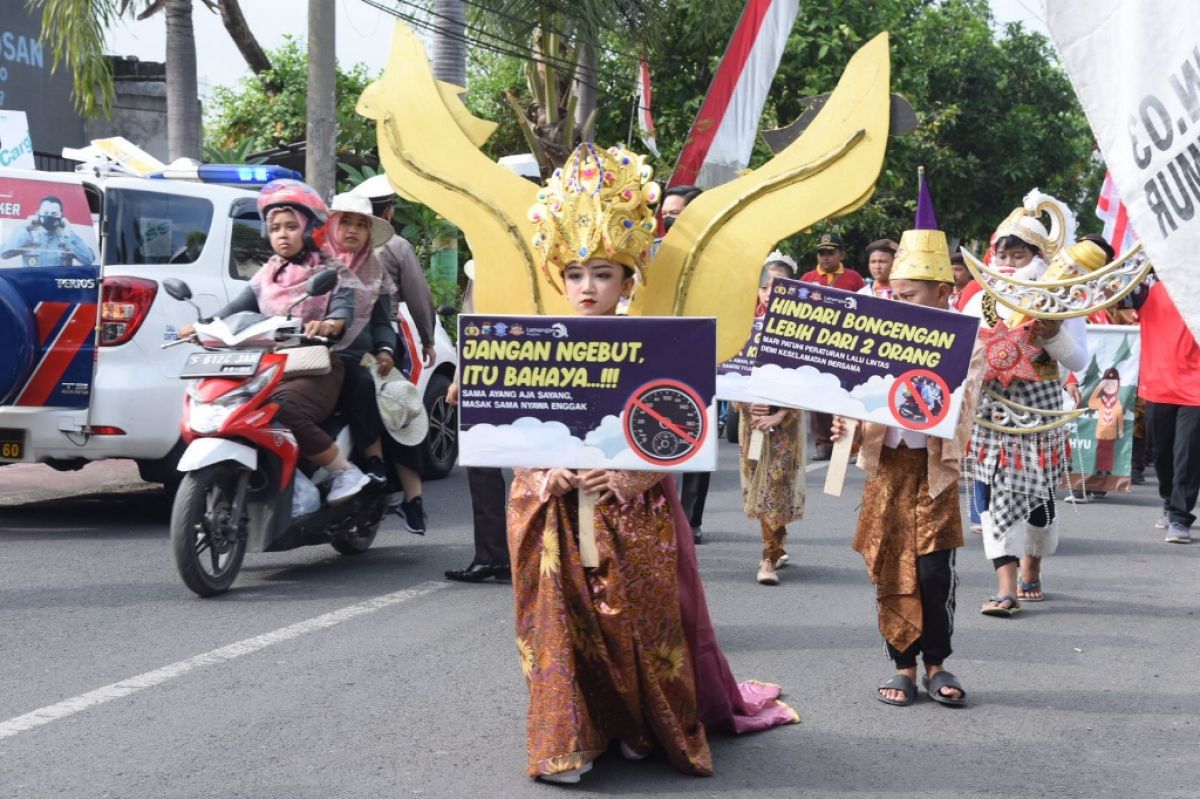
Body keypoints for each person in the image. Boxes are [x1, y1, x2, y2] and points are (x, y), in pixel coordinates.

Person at [511, 143, 797, 784]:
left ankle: (640, 723)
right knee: (563, 622)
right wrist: (547, 473)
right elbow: (514, 429)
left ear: (627, 280)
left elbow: (680, 427)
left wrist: (628, 474)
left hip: (631, 509)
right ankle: (569, 739)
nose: (588, 287)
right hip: (558, 513)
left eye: (602, 274)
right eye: (576, 274)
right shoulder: (532, 343)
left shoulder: (660, 343)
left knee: (637, 621)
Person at [832, 226, 984, 707]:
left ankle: (937, 662)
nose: (900, 304)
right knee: (890, 566)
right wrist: (848, 427)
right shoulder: (878, 336)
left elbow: (966, 406)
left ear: (941, 293)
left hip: (933, 470)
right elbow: (853, 396)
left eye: (910, 296)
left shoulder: (967, 342)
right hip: (889, 468)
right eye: (895, 296)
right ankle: (903, 666)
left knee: (934, 572)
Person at [179, 179, 369, 503]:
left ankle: (343, 471)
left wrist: (327, 325)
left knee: (283, 409)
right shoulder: (267, 273)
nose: (282, 234)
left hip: (314, 366)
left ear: (310, 230)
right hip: (266, 364)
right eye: (275, 227)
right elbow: (235, 310)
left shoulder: (331, 272)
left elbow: (342, 313)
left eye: (291, 227)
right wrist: (201, 325)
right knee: (230, 406)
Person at [963, 198, 1093, 612]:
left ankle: (1031, 565)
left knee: (1039, 496)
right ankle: (1005, 587)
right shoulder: (978, 298)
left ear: (1038, 259)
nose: (1007, 263)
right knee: (990, 491)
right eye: (1002, 254)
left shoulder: (1061, 299)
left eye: (1017, 255)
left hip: (1039, 411)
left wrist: (1052, 333)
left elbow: (1079, 360)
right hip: (990, 409)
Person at [354, 181, 438, 534]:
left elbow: (410, 300)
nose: (349, 233)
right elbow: (419, 298)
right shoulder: (319, 260)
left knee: (397, 408)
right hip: (339, 347)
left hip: (377, 345)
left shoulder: (373, 262)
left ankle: (409, 495)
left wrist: (423, 339)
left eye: (356, 225)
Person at [319, 193, 401, 486]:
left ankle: (374, 458)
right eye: (346, 222)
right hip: (306, 350)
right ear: (332, 226)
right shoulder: (313, 262)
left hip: (354, 355)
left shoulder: (376, 271)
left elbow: (382, 322)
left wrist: (385, 349)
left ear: (368, 232)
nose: (352, 230)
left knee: (363, 383)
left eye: (360, 224)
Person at [737, 253, 805, 586]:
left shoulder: (801, 332)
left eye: (778, 287)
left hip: (785, 426)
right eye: (765, 287)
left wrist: (780, 413)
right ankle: (776, 541)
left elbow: (809, 381)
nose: (770, 294)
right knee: (756, 485)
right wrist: (747, 406)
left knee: (775, 488)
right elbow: (730, 374)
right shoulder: (742, 328)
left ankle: (768, 557)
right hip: (751, 422)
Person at [444, 260, 511, 582]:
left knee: (539, 470)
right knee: (482, 468)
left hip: (539, 376)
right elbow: (470, 327)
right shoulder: (480, 268)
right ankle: (492, 556)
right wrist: (459, 377)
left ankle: (542, 558)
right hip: (484, 376)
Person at [1123, 270, 1200, 544]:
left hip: (1196, 388)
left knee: (1187, 454)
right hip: (1159, 385)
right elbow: (1118, 296)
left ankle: (1180, 516)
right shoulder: (1146, 290)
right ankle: (1169, 501)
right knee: (1162, 453)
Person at [657, 184, 709, 542]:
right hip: (655, 352)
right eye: (665, 215)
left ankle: (690, 522)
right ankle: (659, 515)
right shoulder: (651, 251)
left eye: (674, 214)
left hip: (697, 353)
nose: (668, 220)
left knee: (695, 438)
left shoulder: (716, 258)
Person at [799, 233, 862, 459]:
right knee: (818, 394)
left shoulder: (854, 278)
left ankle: (851, 444)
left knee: (848, 395)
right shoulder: (808, 278)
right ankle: (823, 443)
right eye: (821, 253)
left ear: (841, 254)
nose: (825, 257)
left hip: (847, 346)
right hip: (816, 345)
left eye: (830, 252)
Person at [1, 195, 95, 267]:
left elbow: (89, 260)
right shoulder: (29, 235)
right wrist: (26, 229)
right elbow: (3, 254)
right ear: (38, 214)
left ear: (61, 216)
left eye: (54, 213)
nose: (49, 216)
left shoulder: (66, 236)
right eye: (45, 213)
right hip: (31, 285)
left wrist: (69, 235)